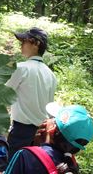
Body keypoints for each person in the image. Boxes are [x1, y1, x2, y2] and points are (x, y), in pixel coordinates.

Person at [6, 27, 57, 158]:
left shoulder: (22, 68)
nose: (21, 45)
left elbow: (4, 93)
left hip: (21, 130)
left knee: (14, 167)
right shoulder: (50, 74)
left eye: (24, 41)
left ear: (36, 44)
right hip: (41, 132)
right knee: (32, 168)